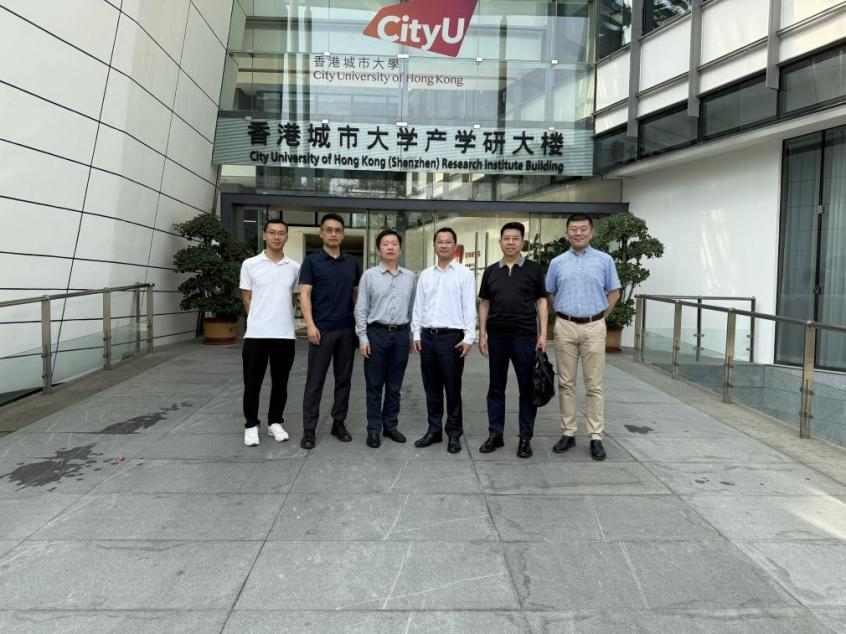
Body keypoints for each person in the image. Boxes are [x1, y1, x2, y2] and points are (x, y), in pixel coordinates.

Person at [545, 214, 621, 461]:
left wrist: (600, 316)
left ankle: (595, 436)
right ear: (567, 233)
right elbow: (549, 292)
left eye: (583, 229)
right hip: (565, 326)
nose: (578, 233)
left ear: (591, 232)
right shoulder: (557, 262)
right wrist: (561, 313)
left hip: (594, 326)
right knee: (566, 383)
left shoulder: (604, 260)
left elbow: (615, 292)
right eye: (574, 229)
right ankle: (568, 432)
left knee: (594, 385)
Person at [478, 222, 548, 458]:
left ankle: (525, 437)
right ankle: (495, 435)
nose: (510, 242)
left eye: (515, 238)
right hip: (497, 337)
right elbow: (484, 303)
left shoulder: (534, 269)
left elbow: (541, 301)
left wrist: (543, 333)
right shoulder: (491, 271)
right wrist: (482, 334)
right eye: (506, 238)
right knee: (495, 388)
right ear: (500, 242)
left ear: (522, 242)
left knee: (527, 389)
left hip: (525, 337)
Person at [411, 227, 477, 454]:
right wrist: (416, 334)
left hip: (452, 339)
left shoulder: (464, 274)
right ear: (434, 246)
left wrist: (469, 337)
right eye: (440, 242)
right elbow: (418, 306)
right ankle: (434, 430)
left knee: (452, 388)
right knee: (431, 388)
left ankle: (454, 433)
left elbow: (469, 307)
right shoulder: (425, 275)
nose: (444, 245)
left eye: (448, 242)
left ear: (454, 246)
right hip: (428, 337)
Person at [299, 213, 361, 449]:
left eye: (338, 230)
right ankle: (309, 429)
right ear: (321, 233)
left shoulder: (351, 263)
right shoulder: (312, 261)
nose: (333, 234)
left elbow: (355, 295)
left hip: (347, 330)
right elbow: (304, 294)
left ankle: (339, 422)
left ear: (343, 235)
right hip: (321, 330)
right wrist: (310, 325)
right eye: (329, 230)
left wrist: (358, 326)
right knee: (315, 381)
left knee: (343, 380)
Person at [239, 219, 300, 447]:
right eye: (272, 232)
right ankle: (251, 424)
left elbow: (294, 298)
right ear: (264, 235)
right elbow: (247, 298)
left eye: (281, 233)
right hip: (256, 334)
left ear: (286, 237)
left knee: (280, 383)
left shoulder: (294, 267)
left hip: (284, 334)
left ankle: (275, 422)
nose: (277, 236)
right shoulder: (250, 264)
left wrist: (279, 317)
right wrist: (259, 319)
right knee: (252, 383)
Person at [354, 229, 415, 448]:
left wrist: (411, 334)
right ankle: (373, 429)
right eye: (385, 244)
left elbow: (412, 308)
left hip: (400, 334)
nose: (390, 247)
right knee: (374, 385)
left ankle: (390, 425)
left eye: (394, 243)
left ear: (400, 249)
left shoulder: (410, 277)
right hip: (376, 334)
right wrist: (362, 337)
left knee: (395, 385)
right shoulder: (369, 276)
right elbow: (361, 308)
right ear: (378, 250)